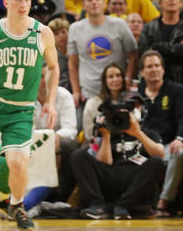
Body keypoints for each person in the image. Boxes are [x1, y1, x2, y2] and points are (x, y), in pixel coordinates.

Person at [0, 0, 60, 231]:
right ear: (6, 3)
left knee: (17, 163)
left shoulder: (43, 33)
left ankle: (16, 205)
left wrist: (51, 102)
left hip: (21, 110)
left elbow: (54, 67)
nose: (23, 4)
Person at [71, 89, 166, 219]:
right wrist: (106, 135)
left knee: (157, 163)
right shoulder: (107, 131)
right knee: (79, 155)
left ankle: (123, 205)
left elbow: (160, 155)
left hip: (136, 181)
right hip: (111, 176)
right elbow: (105, 162)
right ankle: (98, 205)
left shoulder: (149, 133)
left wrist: (138, 133)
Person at [135, 50, 183, 217]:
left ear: (163, 69)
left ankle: (164, 201)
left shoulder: (176, 90)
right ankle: (132, 202)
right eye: (149, 66)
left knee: (180, 152)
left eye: (157, 65)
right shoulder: (135, 95)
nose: (154, 69)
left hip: (168, 144)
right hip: (142, 146)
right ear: (141, 72)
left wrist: (179, 138)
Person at [68, 0, 138, 104]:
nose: (94, 2)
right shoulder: (75, 28)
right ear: (83, 5)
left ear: (104, 3)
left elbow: (133, 55)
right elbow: (73, 63)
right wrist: (76, 91)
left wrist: (128, 79)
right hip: (89, 93)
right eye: (90, 0)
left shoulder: (120, 24)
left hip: (117, 91)